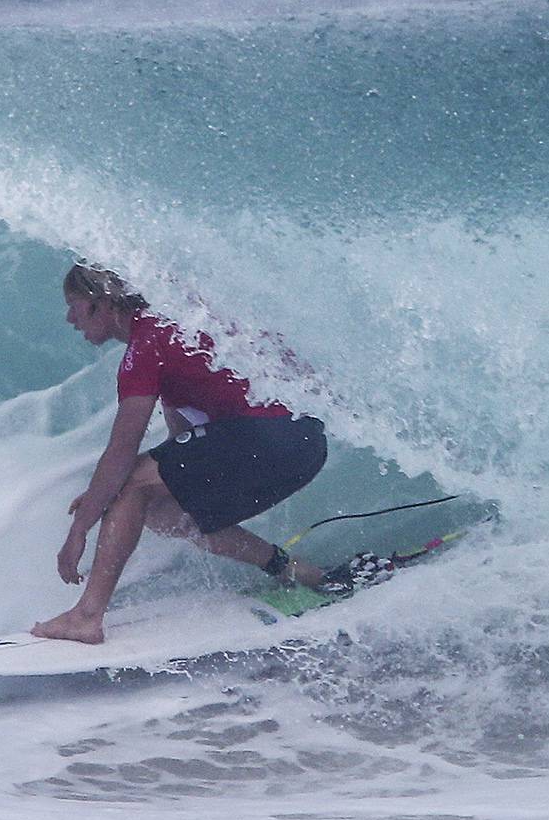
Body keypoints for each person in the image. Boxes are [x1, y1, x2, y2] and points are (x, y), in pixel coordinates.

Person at [32, 264, 336, 644]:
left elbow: (122, 451)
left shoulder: (148, 341)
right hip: (301, 445)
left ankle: (87, 616)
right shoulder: (172, 333)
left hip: (273, 435)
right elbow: (183, 451)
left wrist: (81, 529)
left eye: (73, 304)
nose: (69, 318)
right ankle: (292, 569)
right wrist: (108, 495)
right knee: (162, 511)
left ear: (102, 302)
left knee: (130, 485)